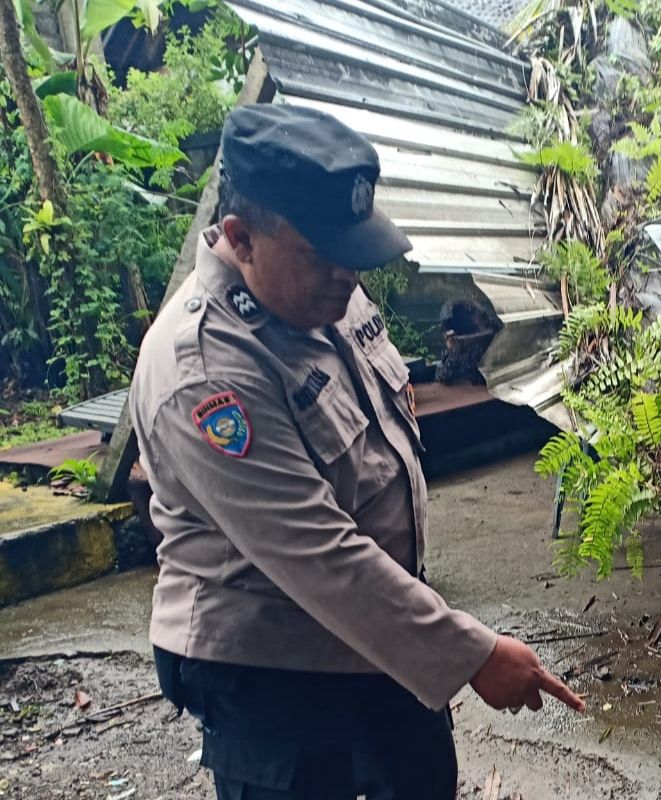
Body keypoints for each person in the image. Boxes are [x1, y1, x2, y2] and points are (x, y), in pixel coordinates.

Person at [129, 103, 585, 800]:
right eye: (323, 256)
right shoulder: (207, 371)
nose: (348, 278)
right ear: (238, 238)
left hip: (376, 631)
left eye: (355, 255)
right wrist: (473, 653)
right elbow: (317, 554)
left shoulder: (321, 289)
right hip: (272, 669)